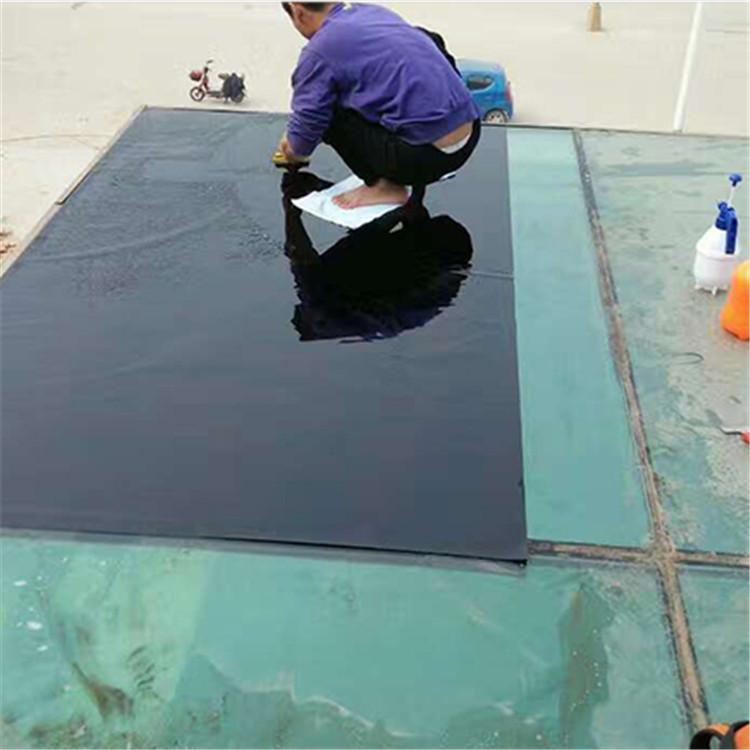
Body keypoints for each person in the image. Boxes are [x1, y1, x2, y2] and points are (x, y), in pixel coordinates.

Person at [278, 2, 481, 210]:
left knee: (329, 108)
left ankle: (384, 188)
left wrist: (291, 147)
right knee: (423, 36)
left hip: (422, 160)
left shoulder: (319, 50)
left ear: (298, 12)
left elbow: (302, 142)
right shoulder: (372, 12)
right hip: (470, 134)